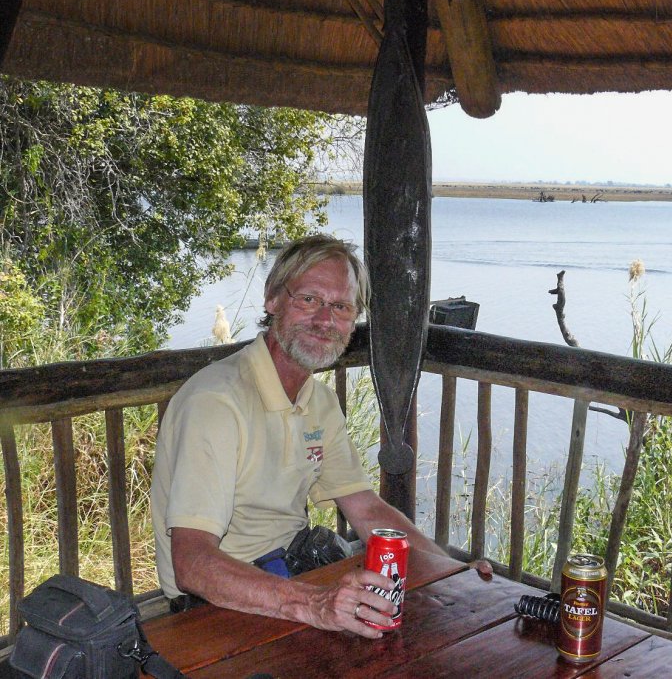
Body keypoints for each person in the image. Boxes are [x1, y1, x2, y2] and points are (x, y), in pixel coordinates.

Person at [151, 234, 482, 639]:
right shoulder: (216, 402)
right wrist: (315, 604)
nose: (325, 320)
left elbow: (366, 508)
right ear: (273, 300)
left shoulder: (319, 401)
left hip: (289, 575)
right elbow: (192, 563)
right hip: (216, 606)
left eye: (341, 307)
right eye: (309, 300)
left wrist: (451, 571)